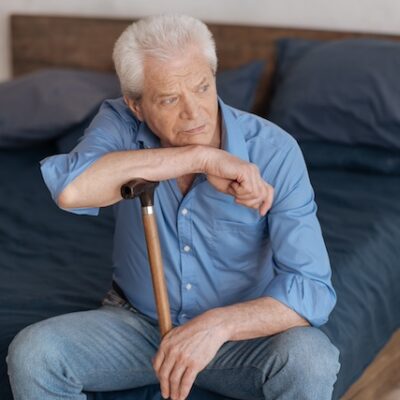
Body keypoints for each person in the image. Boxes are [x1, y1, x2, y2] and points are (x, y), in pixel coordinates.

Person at [6, 14, 340, 400]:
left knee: (310, 359)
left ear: (214, 76)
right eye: (169, 99)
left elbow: (312, 288)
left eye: (202, 88)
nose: (194, 113)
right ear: (136, 105)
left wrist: (216, 326)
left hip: (238, 339)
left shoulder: (274, 150)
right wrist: (201, 159)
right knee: (35, 354)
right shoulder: (121, 124)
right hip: (137, 326)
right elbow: (71, 190)